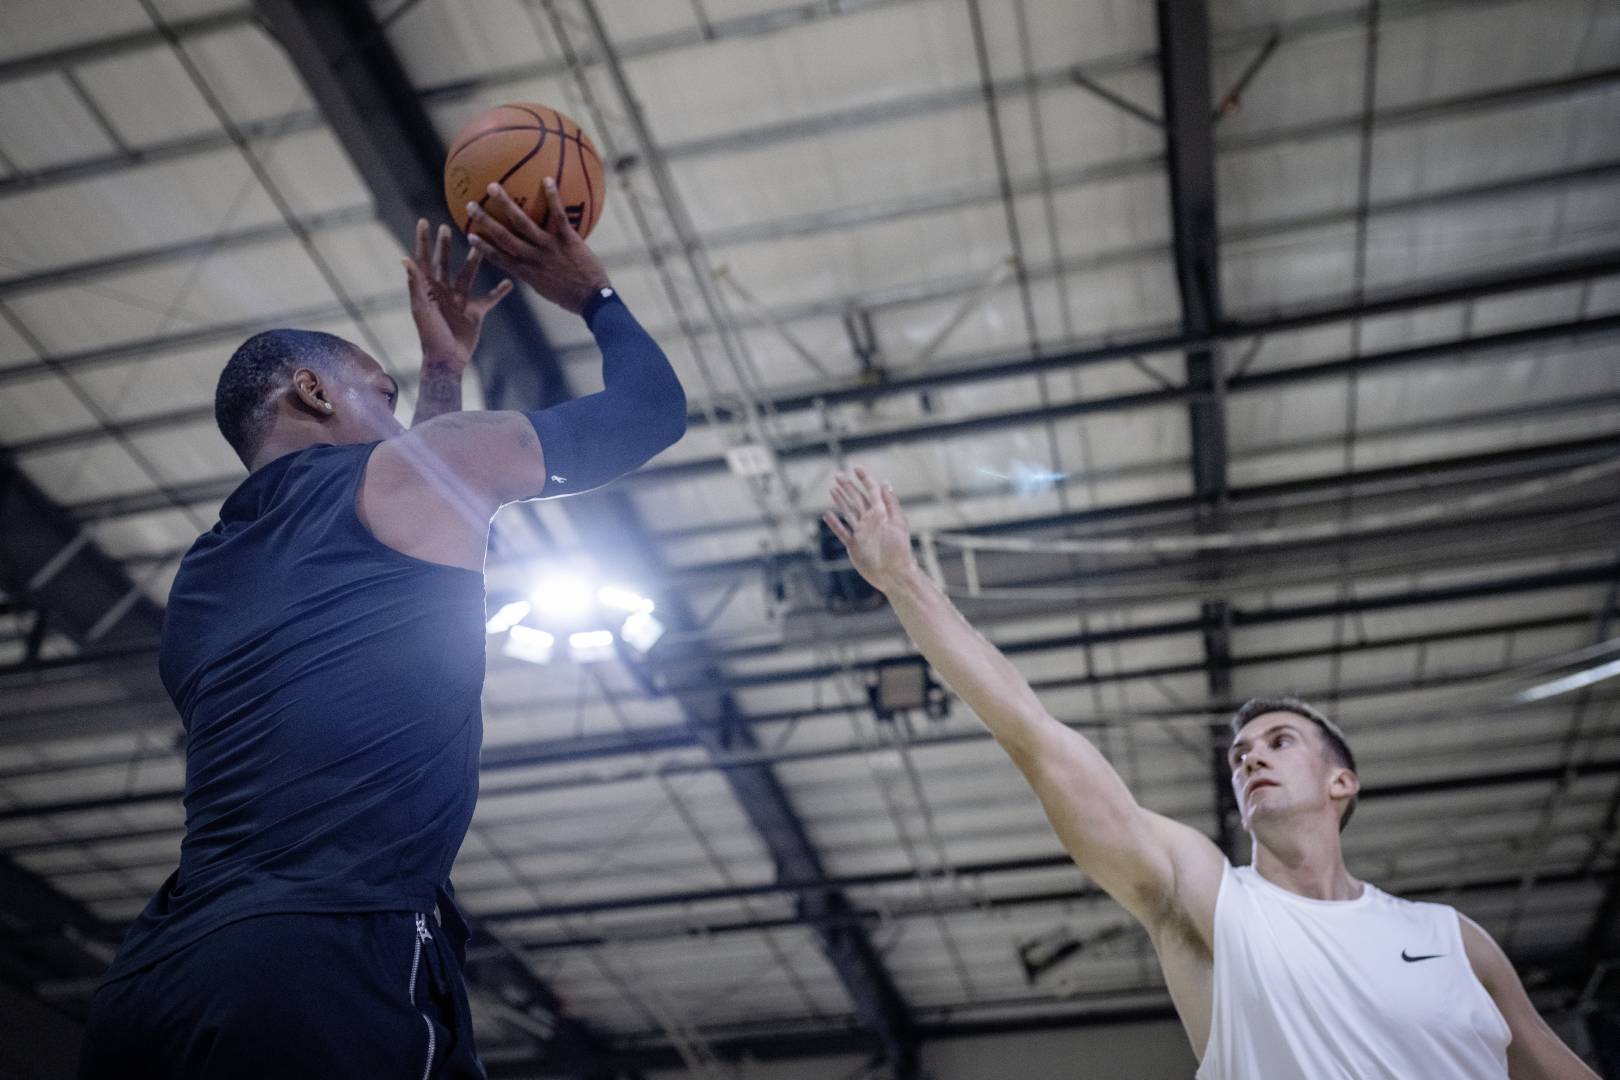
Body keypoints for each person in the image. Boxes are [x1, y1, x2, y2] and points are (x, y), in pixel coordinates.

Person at [78, 178, 686, 1079]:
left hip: (155, 984)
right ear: (315, 390)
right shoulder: (411, 475)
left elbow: (413, 535)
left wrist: (443, 372)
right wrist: (591, 290)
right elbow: (650, 414)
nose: (402, 417)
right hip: (321, 957)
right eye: (383, 390)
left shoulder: (202, 583)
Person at [823, 467, 1597, 1079]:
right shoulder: (1209, 898)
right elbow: (1037, 736)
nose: (1251, 755)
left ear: (1342, 783)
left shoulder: (1452, 939)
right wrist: (904, 583)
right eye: (1239, 754)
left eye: (1280, 741)